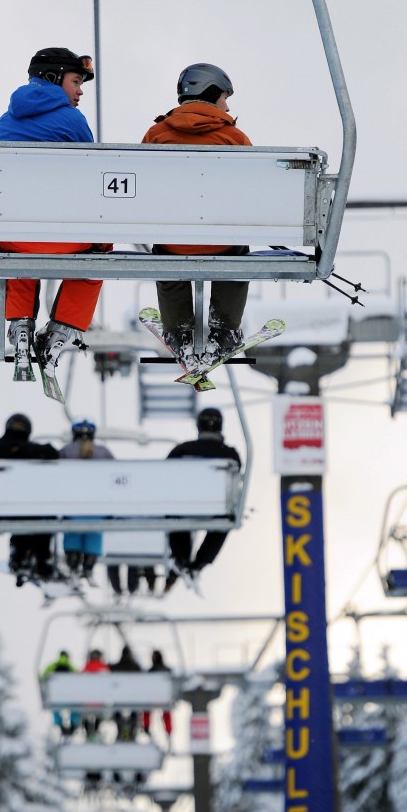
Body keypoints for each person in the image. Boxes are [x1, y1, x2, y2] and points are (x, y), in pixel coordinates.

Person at [0, 47, 111, 384]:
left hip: (17, 236)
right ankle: (62, 329)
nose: (80, 90)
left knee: (15, 252)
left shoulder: (6, 121)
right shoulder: (72, 121)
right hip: (66, 238)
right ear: (55, 78)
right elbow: (94, 175)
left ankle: (20, 325)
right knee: (100, 251)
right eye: (76, 81)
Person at [142, 63, 253, 372]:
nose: (227, 106)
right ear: (212, 93)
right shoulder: (234, 138)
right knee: (238, 254)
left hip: (174, 243)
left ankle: (178, 331)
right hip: (223, 244)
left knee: (164, 255)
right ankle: (224, 328)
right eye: (224, 98)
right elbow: (254, 195)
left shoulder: (156, 135)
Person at [164, 407, 242, 593]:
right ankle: (199, 563)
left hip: (183, 509)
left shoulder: (182, 450)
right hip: (217, 510)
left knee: (176, 517)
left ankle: (181, 559)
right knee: (223, 524)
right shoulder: (230, 455)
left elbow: (165, 476)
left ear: (199, 426)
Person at [0, 413, 59, 581]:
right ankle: (42, 558)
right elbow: (52, 453)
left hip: (0, 509)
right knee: (39, 514)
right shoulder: (31, 450)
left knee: (23, 511)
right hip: (31, 510)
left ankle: (19, 555)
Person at [59, 419, 114, 582]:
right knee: (95, 529)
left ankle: (73, 562)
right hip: (99, 511)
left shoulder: (65, 451)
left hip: (72, 510)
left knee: (73, 528)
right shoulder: (103, 452)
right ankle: (89, 566)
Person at [40, 649, 80, 736]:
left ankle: (59, 723)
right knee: (75, 708)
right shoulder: (71, 667)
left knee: (55, 708)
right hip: (70, 698)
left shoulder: (51, 666)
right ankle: (73, 724)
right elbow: (79, 679)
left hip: (56, 698)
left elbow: (43, 677)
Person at [110, 645, 143, 742]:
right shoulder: (136, 667)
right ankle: (132, 731)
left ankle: (120, 731)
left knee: (117, 710)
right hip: (132, 698)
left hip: (119, 698)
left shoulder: (116, 666)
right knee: (134, 710)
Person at [81, 647, 110, 741]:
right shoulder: (104, 668)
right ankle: (96, 730)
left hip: (86, 703)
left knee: (84, 714)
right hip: (99, 703)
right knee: (100, 714)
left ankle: (88, 733)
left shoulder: (85, 668)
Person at [142, 649, 173, 739]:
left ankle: (146, 727)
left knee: (146, 709)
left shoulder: (150, 671)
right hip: (165, 698)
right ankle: (168, 730)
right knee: (167, 712)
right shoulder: (168, 670)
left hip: (152, 698)